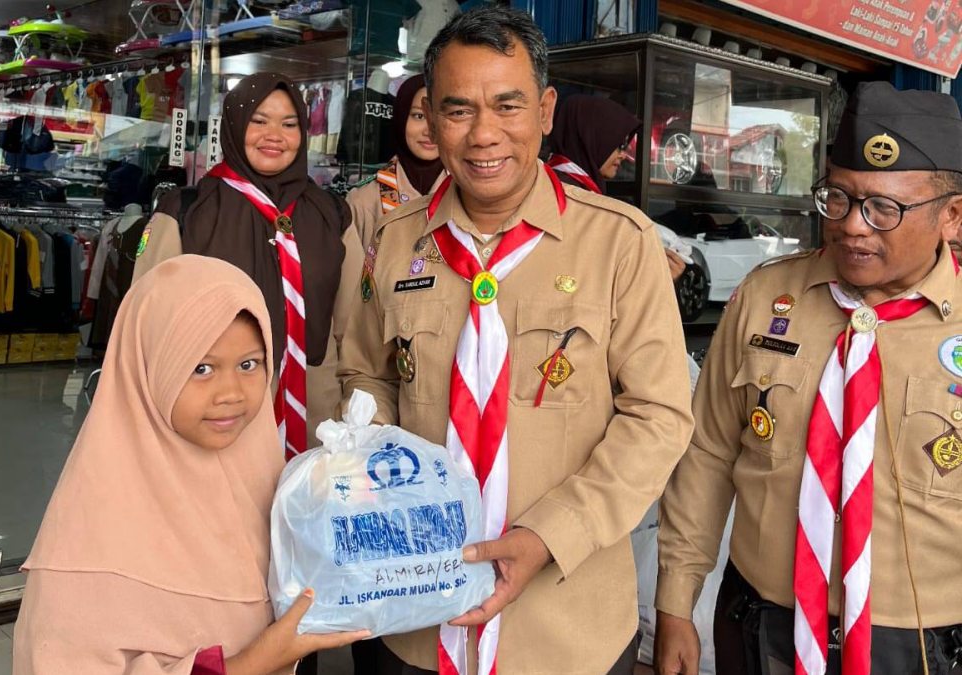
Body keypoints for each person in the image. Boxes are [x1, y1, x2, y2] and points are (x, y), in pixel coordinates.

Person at [338, 6, 694, 674]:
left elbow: (659, 416)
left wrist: (551, 533)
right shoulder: (393, 241)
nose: (484, 135)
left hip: (566, 629)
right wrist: (374, 458)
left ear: (545, 110)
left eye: (508, 105)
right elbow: (366, 376)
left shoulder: (619, 243)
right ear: (430, 118)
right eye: (458, 110)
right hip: (414, 618)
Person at [654, 81, 962, 675]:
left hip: (920, 645)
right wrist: (675, 603)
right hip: (762, 623)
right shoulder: (767, 296)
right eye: (838, 198)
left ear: (951, 216)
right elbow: (708, 454)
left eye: (884, 208)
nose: (852, 226)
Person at [13, 255, 368, 674]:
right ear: (148, 367)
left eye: (249, 364)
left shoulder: (265, 478)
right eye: (201, 368)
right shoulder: (86, 549)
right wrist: (254, 662)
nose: (230, 393)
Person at [132, 72, 363, 456]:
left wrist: (353, 411)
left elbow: (354, 327)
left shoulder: (332, 215)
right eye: (259, 121)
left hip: (317, 423)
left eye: (289, 124)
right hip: (216, 418)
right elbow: (146, 326)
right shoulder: (188, 211)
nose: (274, 135)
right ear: (235, 125)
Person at [547, 94, 687, 282]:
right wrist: (652, 276)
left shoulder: (571, 187)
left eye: (625, 145)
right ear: (591, 137)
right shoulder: (561, 195)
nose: (623, 154)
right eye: (618, 145)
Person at [346, 73, 448, 253]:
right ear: (401, 118)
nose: (430, 131)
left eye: (439, 117)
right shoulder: (364, 200)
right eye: (419, 116)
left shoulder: (468, 194)